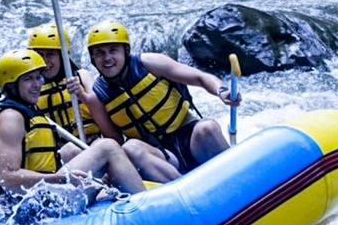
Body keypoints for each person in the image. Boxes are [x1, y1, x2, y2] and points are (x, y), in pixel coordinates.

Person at [0, 49, 145, 224]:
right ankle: (147, 208)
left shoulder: (21, 110)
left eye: (37, 77)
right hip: (30, 210)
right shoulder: (11, 118)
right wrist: (58, 178)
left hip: (33, 200)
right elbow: (8, 178)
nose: (36, 85)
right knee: (107, 147)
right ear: (10, 85)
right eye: (27, 79)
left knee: (71, 149)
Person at [69, 21, 241, 183]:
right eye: (100, 53)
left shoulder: (149, 63)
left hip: (190, 138)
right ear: (93, 58)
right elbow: (115, 142)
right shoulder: (99, 94)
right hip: (161, 155)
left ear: (126, 51)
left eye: (113, 50)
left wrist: (221, 90)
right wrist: (87, 101)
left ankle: (237, 176)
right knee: (131, 148)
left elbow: (200, 77)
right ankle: (184, 192)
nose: (107, 58)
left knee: (207, 127)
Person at [27, 22, 100, 162]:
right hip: (59, 156)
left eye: (50, 54)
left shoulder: (82, 76)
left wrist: (81, 95)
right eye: (39, 54)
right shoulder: (31, 90)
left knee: (101, 145)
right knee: (71, 150)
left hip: (90, 145)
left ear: (62, 55)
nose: (44, 61)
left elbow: (102, 113)